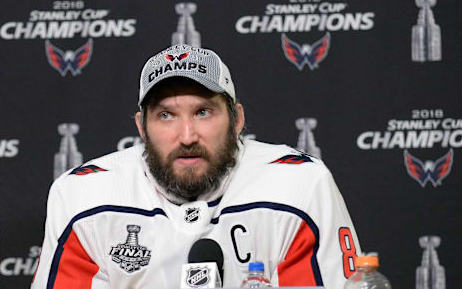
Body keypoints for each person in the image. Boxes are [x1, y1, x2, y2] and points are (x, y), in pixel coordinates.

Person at [31, 44, 361, 289]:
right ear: (142, 128)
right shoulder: (83, 197)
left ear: (237, 120)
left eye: (203, 112)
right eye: (166, 115)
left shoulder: (298, 187)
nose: (187, 136)